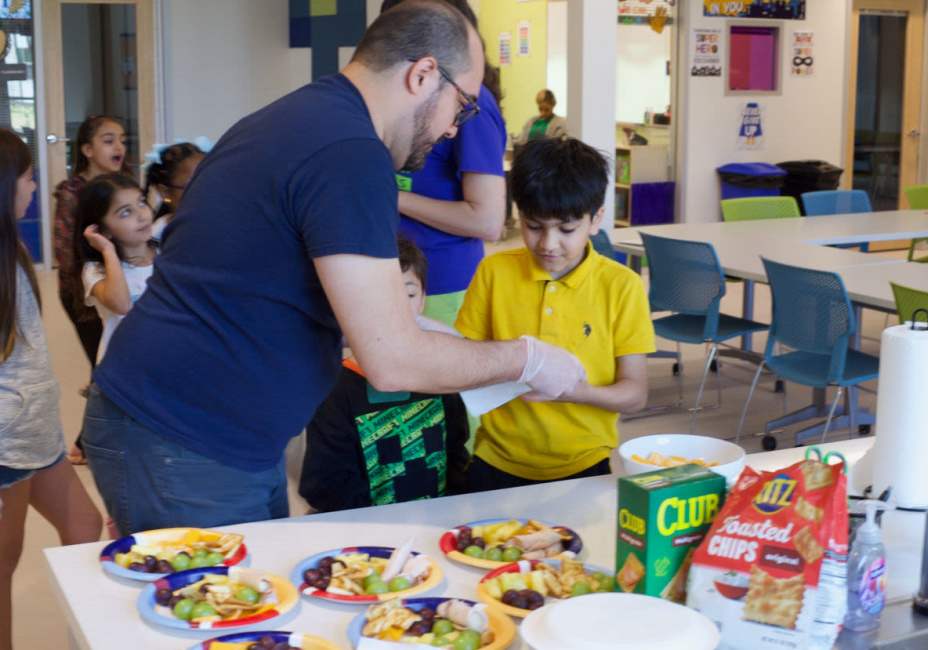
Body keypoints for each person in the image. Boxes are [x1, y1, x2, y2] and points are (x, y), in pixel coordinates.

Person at [82, 0, 583, 536]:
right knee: (220, 614)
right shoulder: (350, 153)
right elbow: (393, 360)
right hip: (184, 435)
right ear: (422, 74)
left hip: (210, 429)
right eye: (461, 108)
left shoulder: (300, 118)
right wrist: (526, 359)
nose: (456, 131)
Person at [455, 137, 656, 490]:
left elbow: (635, 394)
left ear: (596, 220)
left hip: (585, 462)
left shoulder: (621, 286)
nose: (548, 244)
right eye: (533, 226)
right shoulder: (494, 271)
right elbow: (464, 359)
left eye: (566, 229)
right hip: (495, 458)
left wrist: (569, 390)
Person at [0, 128, 102, 650]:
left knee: (84, 525)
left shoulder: (11, 246)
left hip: (34, 437)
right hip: (8, 442)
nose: (34, 185)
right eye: (27, 175)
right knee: (4, 564)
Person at [300, 237, 468, 513]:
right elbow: (325, 484)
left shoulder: (443, 376)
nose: (397, 309)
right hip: (363, 536)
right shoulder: (334, 388)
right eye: (383, 295)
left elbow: (456, 454)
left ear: (424, 299)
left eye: (409, 294)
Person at [383, 0, 507, 327]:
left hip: (442, 284)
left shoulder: (471, 103)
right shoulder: (402, 98)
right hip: (390, 273)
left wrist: (393, 197)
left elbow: (488, 221)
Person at [52, 115, 128, 464]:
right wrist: (85, 298)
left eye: (122, 140)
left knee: (110, 360)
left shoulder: (120, 187)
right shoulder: (73, 193)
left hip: (115, 287)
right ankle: (86, 442)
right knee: (105, 364)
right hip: (82, 293)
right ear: (87, 149)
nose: (119, 147)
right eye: (108, 140)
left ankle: (89, 440)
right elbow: (66, 253)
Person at [73, 174, 157, 363]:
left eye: (141, 202)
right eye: (125, 212)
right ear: (102, 230)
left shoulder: (167, 253)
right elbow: (121, 305)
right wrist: (107, 250)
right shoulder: (95, 270)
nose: (142, 215)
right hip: (123, 371)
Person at [143, 142, 206, 244]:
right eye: (192, 185)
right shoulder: (153, 243)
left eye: (209, 182)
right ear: (165, 192)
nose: (204, 192)